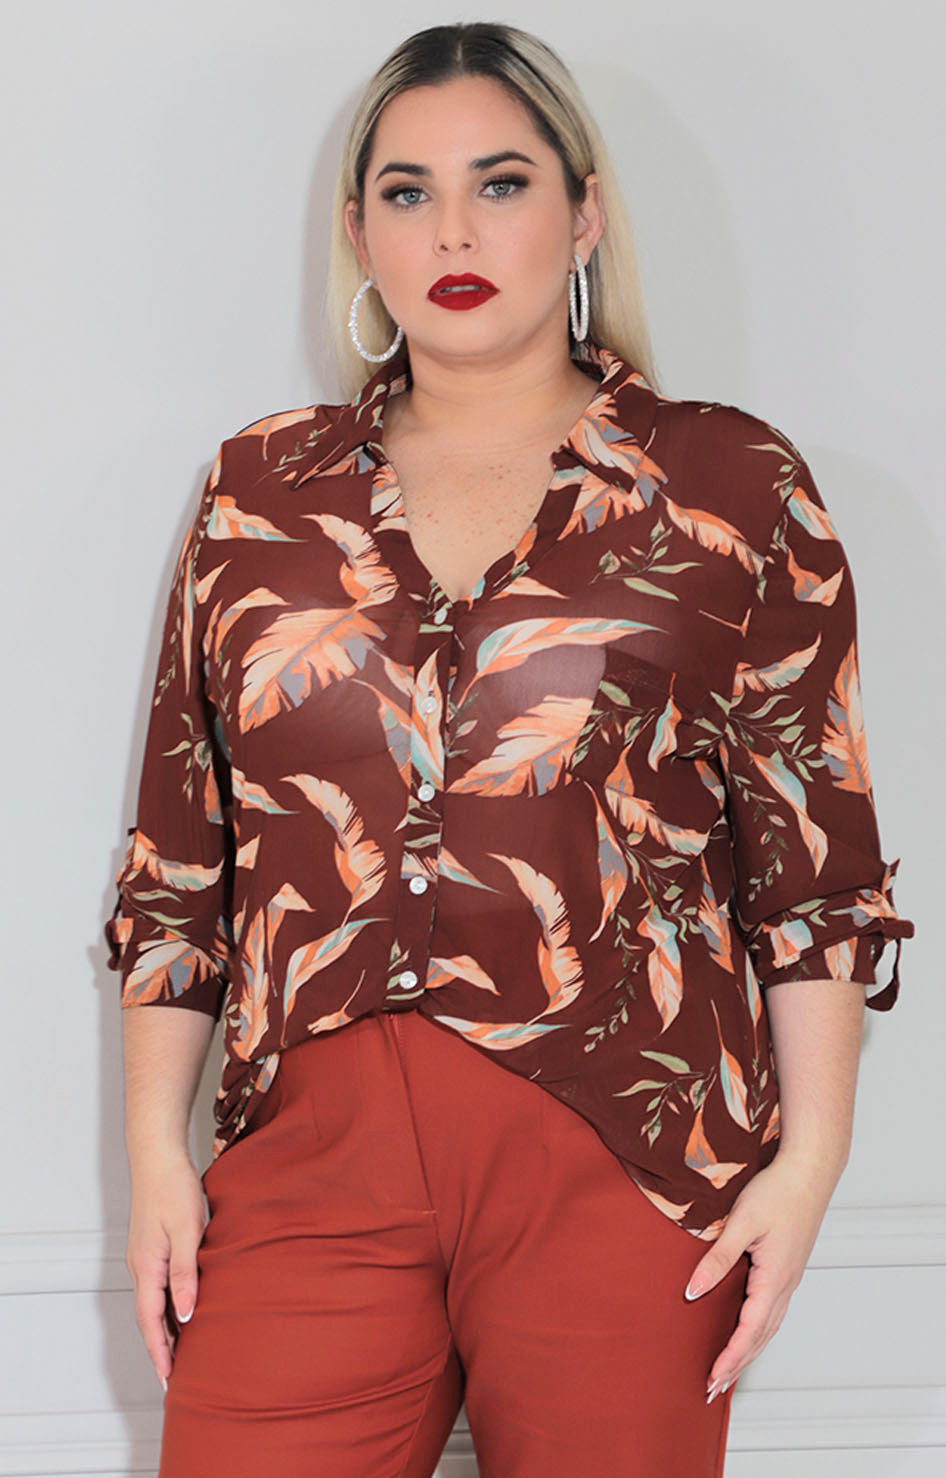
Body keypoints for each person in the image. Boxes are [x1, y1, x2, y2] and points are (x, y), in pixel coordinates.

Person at [103, 21, 914, 1478]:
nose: (455, 232)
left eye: (502, 182)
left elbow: (813, 872)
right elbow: (181, 860)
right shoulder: (257, 494)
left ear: (583, 211)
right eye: (407, 192)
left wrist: (811, 1165)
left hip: (626, 1156)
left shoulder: (731, 488)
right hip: (308, 1156)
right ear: (357, 231)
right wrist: (156, 1151)